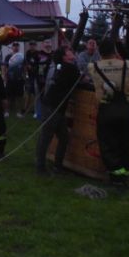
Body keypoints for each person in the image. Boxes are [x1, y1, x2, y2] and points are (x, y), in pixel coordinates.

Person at [87, 38, 129, 186]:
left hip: (106, 109)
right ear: (115, 51)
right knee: (125, 141)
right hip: (125, 108)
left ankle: (116, 176)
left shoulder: (93, 66)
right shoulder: (127, 65)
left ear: (100, 52)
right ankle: (126, 172)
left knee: (107, 142)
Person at [36, 47, 81, 175]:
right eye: (69, 51)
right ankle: (40, 167)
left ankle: (57, 166)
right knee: (46, 137)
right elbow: (81, 80)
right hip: (53, 107)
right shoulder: (70, 68)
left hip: (54, 106)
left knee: (63, 137)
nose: (72, 52)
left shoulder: (60, 66)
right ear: (64, 57)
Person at [3, 42, 25, 117]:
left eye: (17, 46)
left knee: (19, 97)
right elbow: (4, 67)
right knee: (8, 96)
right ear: (12, 47)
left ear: (19, 47)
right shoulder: (8, 56)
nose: (15, 47)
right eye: (14, 46)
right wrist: (5, 77)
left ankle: (19, 112)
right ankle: (6, 112)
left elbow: (24, 68)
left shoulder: (22, 57)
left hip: (19, 79)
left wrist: (24, 77)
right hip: (10, 79)